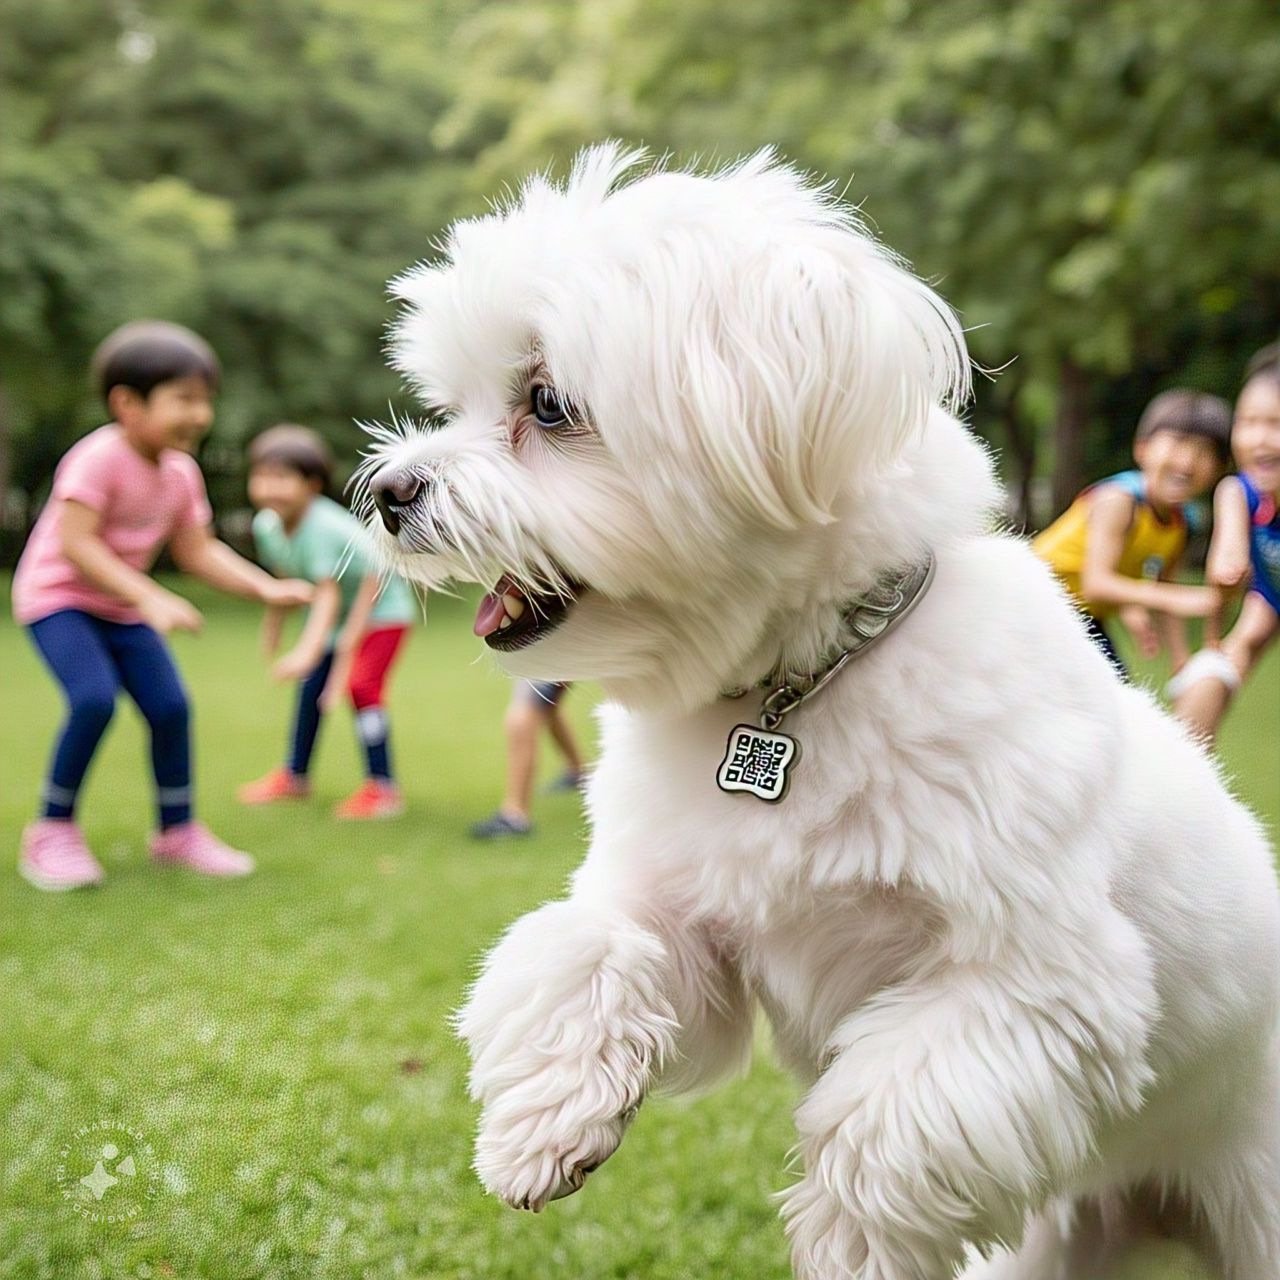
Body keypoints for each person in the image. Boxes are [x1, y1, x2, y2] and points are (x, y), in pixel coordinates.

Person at [12, 320, 313, 891]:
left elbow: (198, 550)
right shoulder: (97, 459)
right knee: (93, 700)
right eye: (185, 399)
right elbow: (76, 544)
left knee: (171, 707)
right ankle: (51, 832)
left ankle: (177, 833)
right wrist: (149, 593)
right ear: (127, 403)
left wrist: (265, 589)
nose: (201, 414)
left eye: (206, 401)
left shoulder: (180, 473)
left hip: (123, 608)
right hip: (59, 600)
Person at [238, 424, 417, 819]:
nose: (269, 488)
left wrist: (308, 650)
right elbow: (286, 580)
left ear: (312, 484)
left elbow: (330, 592)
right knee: (311, 692)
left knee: (361, 688)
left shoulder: (321, 526)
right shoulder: (267, 524)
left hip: (384, 612)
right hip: (335, 617)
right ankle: (294, 776)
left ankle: (383, 789)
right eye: (262, 476)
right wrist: (274, 628)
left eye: (282, 478)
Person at [1032, 389, 1231, 675]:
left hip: (1080, 614)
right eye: (1177, 444)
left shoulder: (1180, 523)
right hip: (1036, 598)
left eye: (1203, 452)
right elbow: (1097, 582)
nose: (1187, 461)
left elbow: (1164, 585)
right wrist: (1175, 598)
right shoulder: (1119, 500)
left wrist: (1180, 659)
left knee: (1113, 696)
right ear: (1142, 449)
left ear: (1219, 469)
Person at [1172, 350, 1280, 741]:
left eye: (1275, 424)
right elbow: (1227, 562)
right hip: (1269, 600)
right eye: (1247, 423)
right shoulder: (1239, 492)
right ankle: (1175, 774)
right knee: (1213, 668)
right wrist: (1229, 564)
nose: (1257, 439)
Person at [469, 680, 586, 838]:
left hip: (547, 655)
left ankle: (514, 815)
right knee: (546, 703)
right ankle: (578, 771)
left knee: (524, 712)